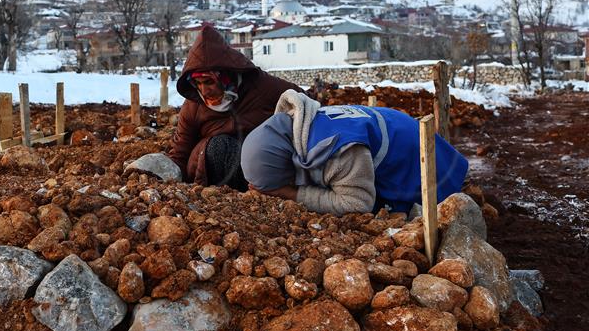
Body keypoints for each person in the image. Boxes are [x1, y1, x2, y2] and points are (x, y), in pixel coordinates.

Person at [240, 90, 468, 215]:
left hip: (425, 164)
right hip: (401, 132)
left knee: (430, 216)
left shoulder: (337, 150)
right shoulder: (301, 123)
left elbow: (357, 204)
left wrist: (290, 193)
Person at [167, 24, 303, 191]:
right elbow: (180, 151)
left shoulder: (261, 87)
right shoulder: (193, 106)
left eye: (209, 82)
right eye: (198, 83)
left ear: (226, 77)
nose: (204, 90)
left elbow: (302, 101)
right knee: (221, 146)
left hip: (259, 164)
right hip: (210, 173)